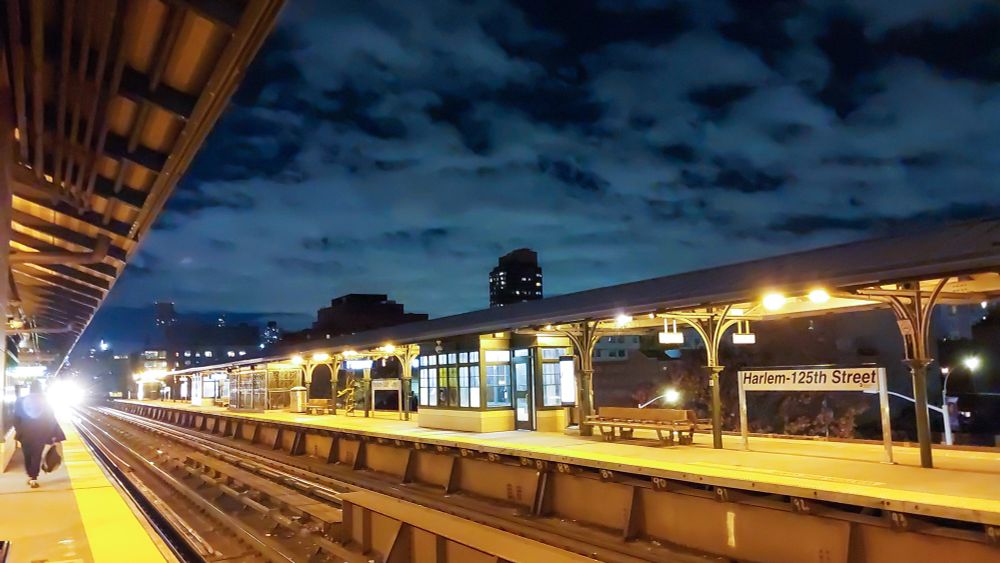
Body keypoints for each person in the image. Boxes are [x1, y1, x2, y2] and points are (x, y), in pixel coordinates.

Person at [13, 380, 66, 488]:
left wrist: (19, 431)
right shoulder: (45, 401)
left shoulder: (20, 400)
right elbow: (51, 419)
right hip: (40, 434)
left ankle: (30, 475)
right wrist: (54, 435)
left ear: (30, 388)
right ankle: (33, 478)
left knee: (27, 455)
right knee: (36, 455)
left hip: (25, 434)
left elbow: (15, 419)